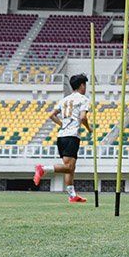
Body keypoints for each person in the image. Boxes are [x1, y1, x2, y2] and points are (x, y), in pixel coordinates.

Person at [33, 74, 93, 203]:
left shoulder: (64, 100)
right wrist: (89, 129)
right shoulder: (83, 99)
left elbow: (52, 115)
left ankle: (72, 196)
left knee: (70, 167)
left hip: (62, 136)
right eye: (85, 85)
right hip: (72, 136)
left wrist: (62, 125)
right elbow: (83, 118)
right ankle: (42, 169)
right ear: (82, 85)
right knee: (69, 168)